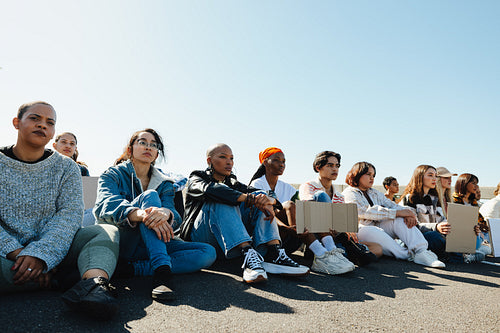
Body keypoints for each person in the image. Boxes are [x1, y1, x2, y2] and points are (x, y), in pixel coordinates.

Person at [0, 101, 120, 320]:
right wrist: (20, 254)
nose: (42, 125)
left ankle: (93, 288)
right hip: (8, 255)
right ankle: (59, 279)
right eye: (35, 118)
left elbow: (70, 213)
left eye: (50, 122)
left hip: (57, 247)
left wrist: (42, 255)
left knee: (103, 232)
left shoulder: (67, 167)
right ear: (17, 123)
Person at [94, 129, 216, 301]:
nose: (148, 147)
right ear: (130, 150)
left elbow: (175, 216)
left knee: (207, 253)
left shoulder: (165, 183)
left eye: (153, 145)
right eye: (142, 142)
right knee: (150, 196)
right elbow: (104, 206)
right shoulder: (112, 174)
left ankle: (131, 269)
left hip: (152, 243)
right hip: (122, 241)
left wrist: (166, 213)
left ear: (157, 154)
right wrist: (141, 214)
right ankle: (162, 272)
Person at [179, 143, 309, 284]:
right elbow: (211, 190)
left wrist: (268, 201)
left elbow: (254, 192)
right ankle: (248, 255)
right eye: (223, 157)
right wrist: (248, 198)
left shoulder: (232, 181)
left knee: (259, 196)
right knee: (223, 196)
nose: (229, 162)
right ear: (209, 161)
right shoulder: (197, 177)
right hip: (201, 238)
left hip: (224, 242)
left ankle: (274, 252)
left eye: (231, 158)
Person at [250, 148, 356, 275]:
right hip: (270, 238)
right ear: (265, 163)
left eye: (284, 161)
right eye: (277, 160)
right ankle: (321, 254)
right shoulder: (257, 184)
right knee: (289, 204)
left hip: (293, 238)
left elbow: (303, 211)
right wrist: (287, 227)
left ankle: (328, 251)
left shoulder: (286, 187)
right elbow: (263, 215)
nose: (282, 164)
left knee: (302, 205)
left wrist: (333, 226)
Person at [342, 162, 445, 268]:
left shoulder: (374, 192)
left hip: (379, 227)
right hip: (361, 230)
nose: (372, 178)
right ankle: (408, 255)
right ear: (357, 174)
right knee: (379, 227)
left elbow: (391, 205)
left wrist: (407, 214)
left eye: (373, 175)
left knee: (400, 220)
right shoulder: (349, 192)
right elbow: (364, 211)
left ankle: (422, 252)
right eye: (368, 174)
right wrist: (398, 213)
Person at [298, 151, 382, 269]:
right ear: (318, 167)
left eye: (337, 166)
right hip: (313, 232)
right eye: (330, 165)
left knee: (376, 249)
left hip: (333, 235)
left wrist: (343, 230)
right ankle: (323, 250)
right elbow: (308, 209)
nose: (335, 169)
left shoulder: (339, 196)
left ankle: (339, 253)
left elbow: (341, 221)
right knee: (321, 196)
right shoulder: (309, 186)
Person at [399, 165, 484, 263]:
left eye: (435, 176)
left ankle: (455, 256)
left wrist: (467, 229)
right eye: (430, 175)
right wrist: (436, 227)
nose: (434, 178)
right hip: (416, 238)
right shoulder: (409, 198)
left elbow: (444, 222)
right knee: (435, 236)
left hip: (435, 238)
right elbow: (411, 225)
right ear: (419, 177)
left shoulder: (435, 199)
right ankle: (463, 257)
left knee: (452, 237)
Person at [452, 173, 491, 256]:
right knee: (487, 249)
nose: (476, 187)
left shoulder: (473, 202)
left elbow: (479, 221)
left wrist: (482, 226)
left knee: (489, 241)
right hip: (464, 234)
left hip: (477, 232)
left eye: (476, 184)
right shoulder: (454, 200)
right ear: (464, 184)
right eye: (473, 183)